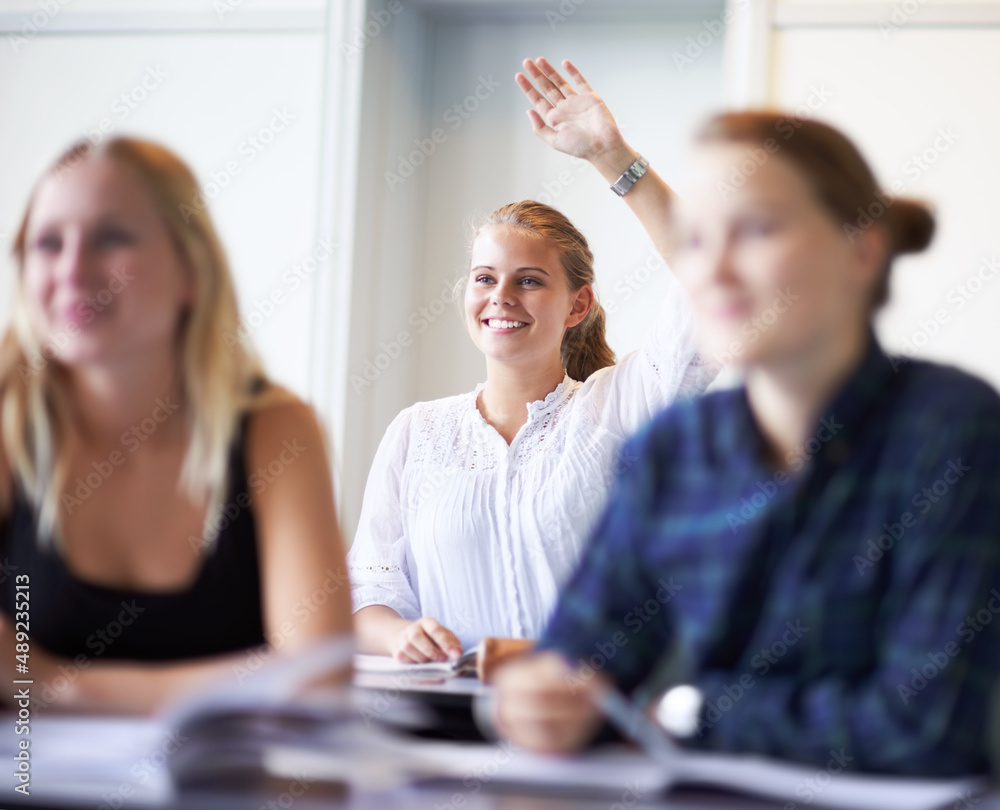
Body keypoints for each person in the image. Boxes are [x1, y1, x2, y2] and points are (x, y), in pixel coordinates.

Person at [492, 60, 1000, 776]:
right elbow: (580, 664)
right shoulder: (672, 451)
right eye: (695, 240)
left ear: (861, 250)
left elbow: (930, 726)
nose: (714, 269)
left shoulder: (953, 430)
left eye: (756, 230)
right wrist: (541, 698)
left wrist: (688, 709)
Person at [348, 60, 715, 663]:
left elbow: (709, 279)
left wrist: (610, 155)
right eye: (485, 278)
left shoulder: (620, 407)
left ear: (578, 305)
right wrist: (400, 636)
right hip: (446, 728)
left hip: (590, 733)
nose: (501, 297)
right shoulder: (415, 433)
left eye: (529, 280)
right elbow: (370, 588)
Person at [0, 137, 352, 713]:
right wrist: (243, 681)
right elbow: (291, 676)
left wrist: (47, 681)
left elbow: (319, 677)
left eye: (112, 237)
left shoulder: (277, 430)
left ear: (190, 271)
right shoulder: (7, 420)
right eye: (47, 243)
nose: (71, 269)